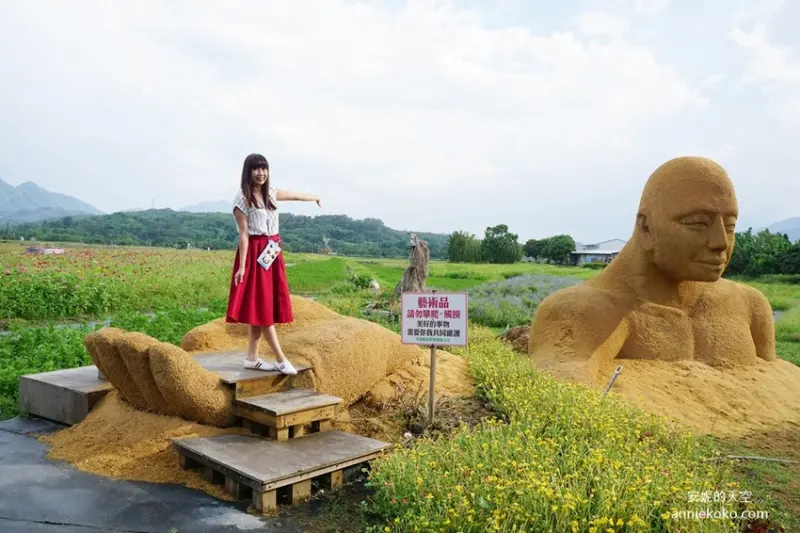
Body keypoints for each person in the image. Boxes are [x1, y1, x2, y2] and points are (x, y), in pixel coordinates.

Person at [226, 153, 321, 374]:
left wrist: (314, 196)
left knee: (262, 305)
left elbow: (296, 196)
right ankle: (280, 358)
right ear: (248, 171)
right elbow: (243, 235)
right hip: (255, 254)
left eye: (264, 168)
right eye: (256, 169)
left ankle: (252, 357)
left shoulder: (272, 193)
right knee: (263, 307)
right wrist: (242, 267)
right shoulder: (242, 199)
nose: (261, 173)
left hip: (272, 253)